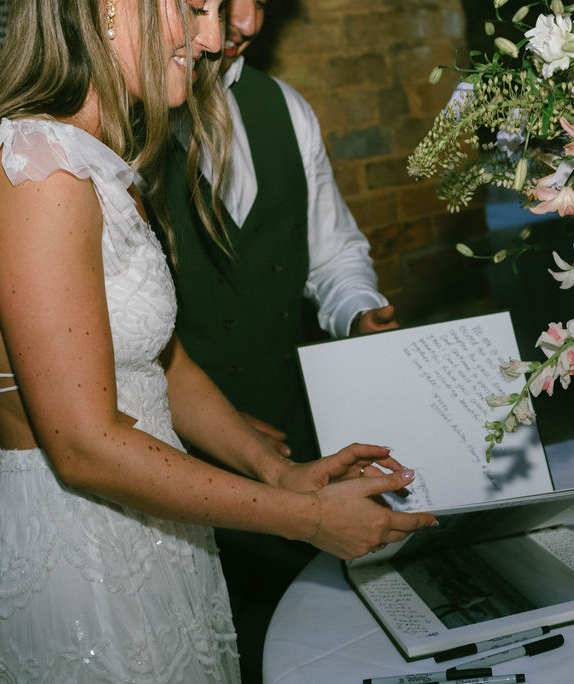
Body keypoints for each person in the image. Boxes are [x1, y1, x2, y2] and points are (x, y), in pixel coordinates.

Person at [0, 0, 435, 681]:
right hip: (85, 564)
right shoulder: (38, 170)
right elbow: (83, 446)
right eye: (194, 7)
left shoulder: (97, 157)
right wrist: (304, 517)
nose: (214, 37)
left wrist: (277, 470)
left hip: (155, 534)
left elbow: (164, 362)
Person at [163, 1, 398, 678]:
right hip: (168, 475)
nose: (248, 22)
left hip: (296, 449)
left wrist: (358, 308)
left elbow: (332, 252)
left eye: (261, 0)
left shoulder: (283, 109)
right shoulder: (116, 125)